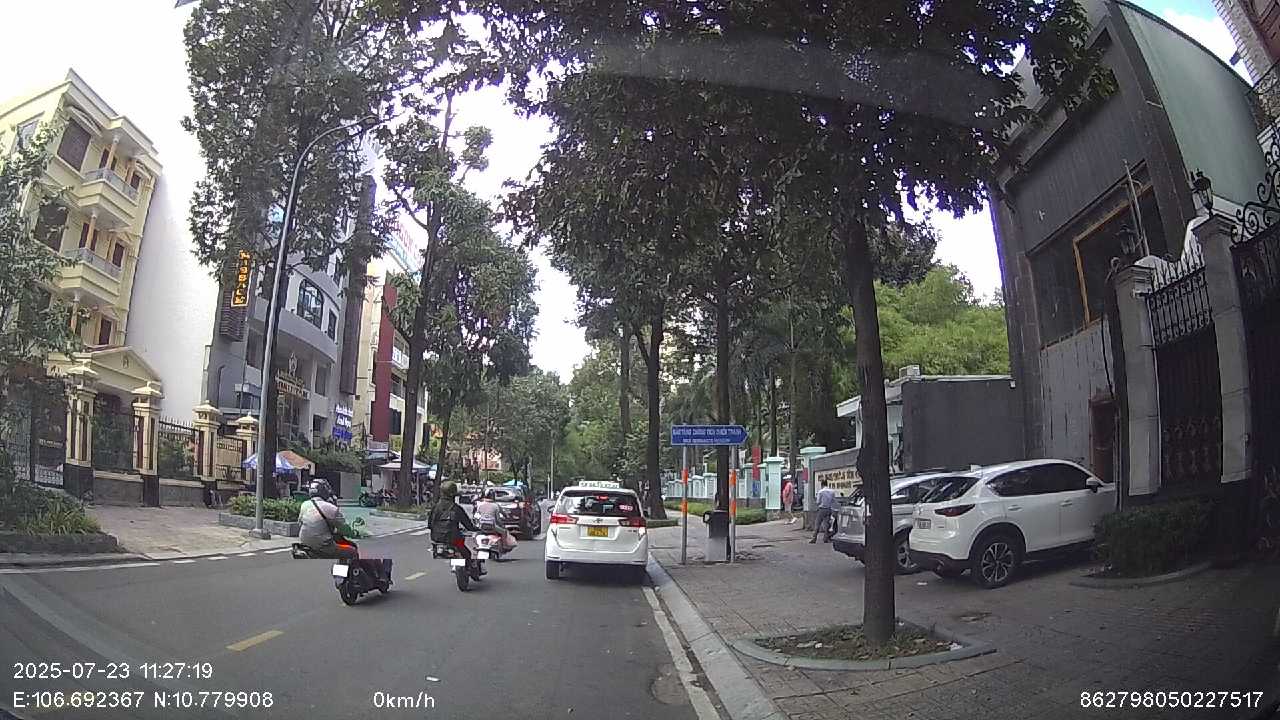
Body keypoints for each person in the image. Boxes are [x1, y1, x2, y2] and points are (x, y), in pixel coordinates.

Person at [298, 480, 356, 559]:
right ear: (324, 491)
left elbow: (300, 523)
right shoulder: (331, 508)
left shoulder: (304, 504)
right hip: (323, 546)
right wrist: (353, 533)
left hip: (304, 542)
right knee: (352, 551)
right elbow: (344, 529)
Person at [430, 481, 480, 566]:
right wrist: (477, 529)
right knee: (467, 553)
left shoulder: (435, 507)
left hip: (436, 539)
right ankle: (469, 566)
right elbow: (468, 525)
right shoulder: (456, 508)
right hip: (454, 540)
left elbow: (430, 524)